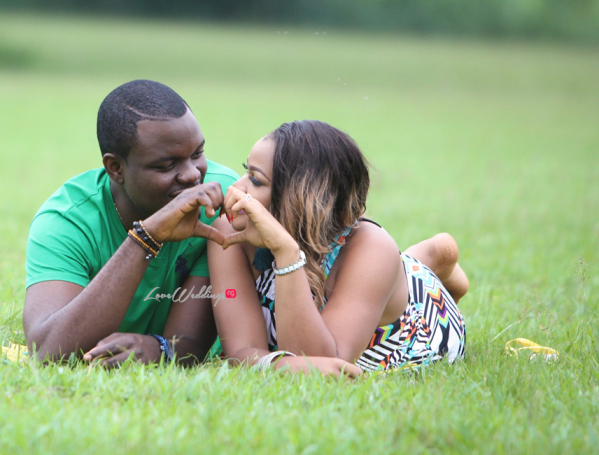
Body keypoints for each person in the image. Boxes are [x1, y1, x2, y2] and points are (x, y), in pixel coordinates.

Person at [209, 120, 468, 374]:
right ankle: (428, 257)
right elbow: (241, 350)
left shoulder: (371, 246)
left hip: (420, 321)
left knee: (406, 262)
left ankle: (439, 256)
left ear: (299, 200)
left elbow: (320, 363)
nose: (236, 188)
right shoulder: (229, 231)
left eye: (256, 180)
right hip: (377, 281)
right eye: (247, 171)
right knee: (396, 267)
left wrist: (285, 252)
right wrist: (272, 364)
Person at [23, 80, 242, 368]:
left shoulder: (224, 198)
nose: (192, 175)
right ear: (116, 168)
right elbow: (49, 352)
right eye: (166, 165)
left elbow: (189, 344)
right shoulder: (66, 220)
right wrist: (146, 237)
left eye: (197, 154)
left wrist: (158, 349)